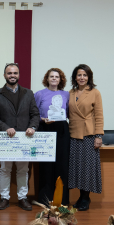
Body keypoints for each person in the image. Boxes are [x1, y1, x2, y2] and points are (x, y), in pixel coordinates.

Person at [0, 63, 39, 211]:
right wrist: (5, 128)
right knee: (5, 170)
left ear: (19, 75)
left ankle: (22, 198)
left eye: (15, 73)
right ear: (4, 75)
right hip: (6, 139)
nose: (12, 76)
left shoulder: (29, 93)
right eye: (9, 73)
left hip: (25, 138)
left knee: (23, 170)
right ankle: (5, 198)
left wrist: (33, 127)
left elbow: (35, 114)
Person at [68, 64, 104, 211]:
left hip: (89, 135)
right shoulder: (70, 92)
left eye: (85, 75)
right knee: (76, 168)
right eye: (79, 75)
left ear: (89, 77)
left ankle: (85, 198)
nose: (82, 78)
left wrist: (98, 136)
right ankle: (80, 196)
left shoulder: (95, 92)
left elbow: (99, 116)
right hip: (73, 134)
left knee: (87, 168)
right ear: (75, 77)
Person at [34, 68, 70, 206]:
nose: (54, 78)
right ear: (47, 79)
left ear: (60, 79)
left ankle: (62, 200)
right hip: (45, 129)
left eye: (57, 76)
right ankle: (45, 199)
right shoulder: (39, 94)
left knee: (62, 165)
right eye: (51, 76)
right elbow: (34, 114)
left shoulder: (66, 94)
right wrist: (43, 120)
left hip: (62, 131)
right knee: (46, 165)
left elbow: (68, 113)